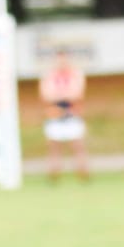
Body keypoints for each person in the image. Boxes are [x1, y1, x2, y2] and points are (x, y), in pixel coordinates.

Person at [39, 51, 90, 180]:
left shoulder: (75, 74)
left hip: (71, 112)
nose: (61, 63)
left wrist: (65, 98)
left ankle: (82, 172)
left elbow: (77, 94)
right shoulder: (49, 76)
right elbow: (46, 95)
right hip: (55, 112)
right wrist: (60, 100)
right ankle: (54, 173)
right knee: (54, 145)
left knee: (77, 144)